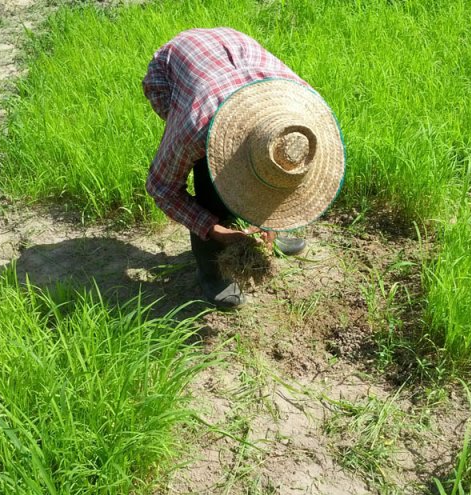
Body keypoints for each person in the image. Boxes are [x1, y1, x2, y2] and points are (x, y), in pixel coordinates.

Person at [143, 27, 345, 309]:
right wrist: (214, 230)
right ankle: (211, 268)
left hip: (234, 47)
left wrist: (272, 220)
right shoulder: (197, 128)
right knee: (210, 180)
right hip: (173, 70)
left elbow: (280, 175)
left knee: (275, 174)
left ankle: (264, 238)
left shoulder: (305, 114)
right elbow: (161, 189)